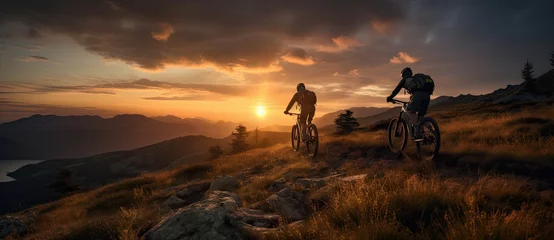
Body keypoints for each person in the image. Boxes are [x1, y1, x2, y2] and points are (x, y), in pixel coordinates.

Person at [386, 67, 434, 141]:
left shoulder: (405, 79)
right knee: (421, 116)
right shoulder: (415, 80)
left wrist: (390, 97)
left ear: (403, 75)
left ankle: (417, 133)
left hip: (417, 95)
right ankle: (432, 130)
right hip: (427, 96)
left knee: (410, 111)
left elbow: (396, 90)